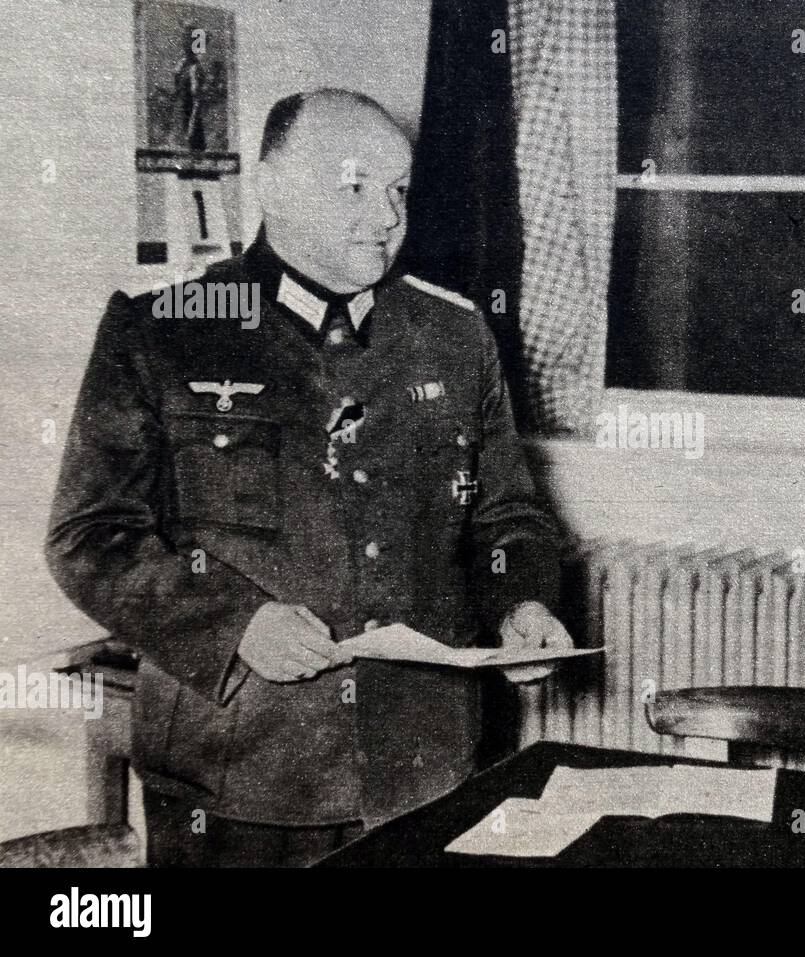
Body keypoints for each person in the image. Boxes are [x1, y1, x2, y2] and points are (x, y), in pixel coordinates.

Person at [46, 88, 573, 866]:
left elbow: (508, 516)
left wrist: (521, 598)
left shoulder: (454, 337)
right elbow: (90, 536)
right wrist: (235, 625)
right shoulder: (163, 331)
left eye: (398, 192)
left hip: (421, 769)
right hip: (236, 771)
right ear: (274, 186)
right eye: (356, 186)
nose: (389, 217)